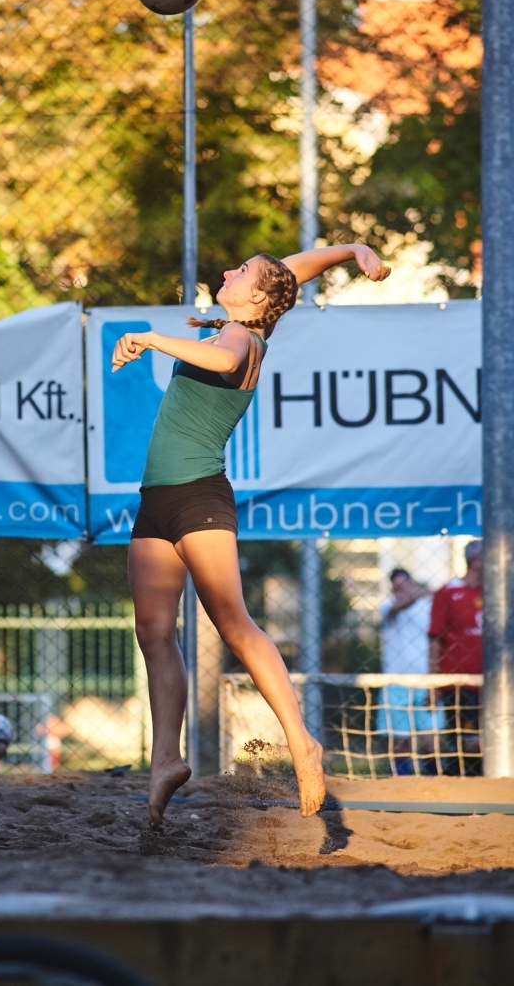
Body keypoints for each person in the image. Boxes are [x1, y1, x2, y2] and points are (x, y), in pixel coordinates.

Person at [111, 243, 390, 826]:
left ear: (257, 298)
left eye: (239, 272)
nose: (226, 273)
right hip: (157, 498)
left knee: (233, 623)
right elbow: (294, 270)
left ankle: (302, 742)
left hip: (197, 497)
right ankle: (166, 759)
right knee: (153, 629)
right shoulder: (233, 323)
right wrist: (352, 249)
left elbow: (222, 360)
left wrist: (151, 338)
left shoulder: (242, 338)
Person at [377, 568, 441, 775]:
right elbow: (400, 606)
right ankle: (403, 783)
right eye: (397, 587)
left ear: (412, 583)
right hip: (396, 683)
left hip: (425, 682)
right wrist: (421, 591)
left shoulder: (429, 607)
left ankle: (435, 781)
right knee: (400, 741)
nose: (401, 590)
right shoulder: (388, 607)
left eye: (404, 585)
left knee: (431, 739)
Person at [428, 539, 483, 775]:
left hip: (497, 683)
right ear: (477, 562)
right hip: (460, 682)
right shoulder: (448, 592)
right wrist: (432, 684)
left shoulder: (501, 594)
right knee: (469, 744)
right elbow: (434, 639)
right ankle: (458, 799)